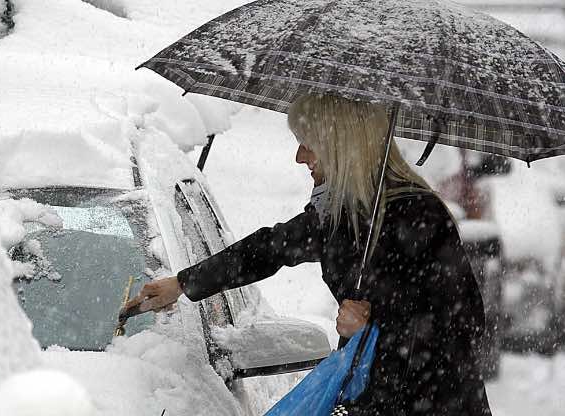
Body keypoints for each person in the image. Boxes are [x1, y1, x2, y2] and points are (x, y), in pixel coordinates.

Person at [122, 94, 492, 415]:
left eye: (308, 143)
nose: (300, 156)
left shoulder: (419, 215)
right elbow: (270, 248)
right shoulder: (341, 214)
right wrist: (183, 284)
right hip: (367, 398)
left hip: (434, 404)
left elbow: (463, 326)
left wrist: (375, 329)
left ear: (342, 145)